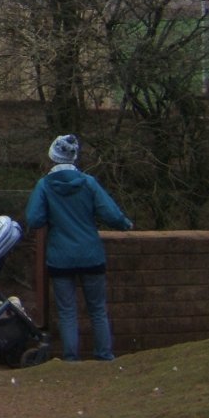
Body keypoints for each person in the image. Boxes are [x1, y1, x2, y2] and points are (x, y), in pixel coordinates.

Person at [24, 135, 134, 362]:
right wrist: (125, 224)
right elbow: (110, 213)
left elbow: (34, 219)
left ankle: (71, 359)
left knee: (67, 312)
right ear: (74, 157)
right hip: (91, 254)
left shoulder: (45, 185)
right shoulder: (88, 183)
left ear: (52, 156)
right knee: (98, 310)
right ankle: (104, 356)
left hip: (60, 257)